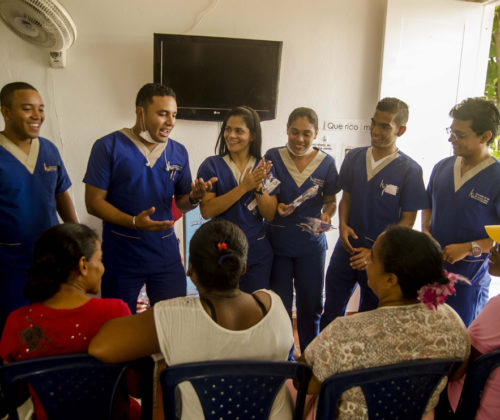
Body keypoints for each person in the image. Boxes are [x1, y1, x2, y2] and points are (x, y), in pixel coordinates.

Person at [89, 218, 294, 420]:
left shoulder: (175, 317)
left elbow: (101, 347)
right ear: (243, 267)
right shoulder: (274, 306)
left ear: (191, 271)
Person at [302, 225, 470, 419]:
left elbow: (305, 383)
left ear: (391, 280)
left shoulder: (344, 332)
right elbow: (457, 372)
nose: (367, 263)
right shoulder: (451, 321)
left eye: (372, 257)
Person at [83, 83, 216, 313]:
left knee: (173, 320)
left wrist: (194, 199)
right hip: (122, 254)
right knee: (119, 324)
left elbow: (182, 202)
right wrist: (134, 222)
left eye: (174, 114)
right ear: (140, 112)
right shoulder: (108, 147)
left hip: (164, 254)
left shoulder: (178, 151)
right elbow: (93, 203)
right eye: (162, 114)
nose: (171, 121)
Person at [0, 223, 135, 419]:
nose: (103, 268)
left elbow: (16, 393)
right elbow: (135, 387)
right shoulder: (116, 311)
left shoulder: (18, 322)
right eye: (100, 259)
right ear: (83, 265)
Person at [321, 97, 429, 328]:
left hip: (380, 258)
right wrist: (342, 225)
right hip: (347, 249)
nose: (375, 130)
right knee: (331, 311)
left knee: (370, 319)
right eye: (374, 123)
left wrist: (374, 253)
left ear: (401, 130)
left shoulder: (410, 170)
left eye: (384, 126)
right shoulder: (355, 157)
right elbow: (346, 198)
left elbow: (408, 221)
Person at [0, 82, 78, 333]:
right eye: (27, 109)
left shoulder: (48, 149)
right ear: (6, 112)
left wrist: (76, 234)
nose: (37, 116)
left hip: (50, 258)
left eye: (41, 109)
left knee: (50, 325)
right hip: (10, 262)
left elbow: (61, 193)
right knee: (15, 328)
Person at [264, 107, 339, 352]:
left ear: (316, 133)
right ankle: (285, 357)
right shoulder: (272, 157)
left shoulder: (327, 163)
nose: (300, 139)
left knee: (312, 304)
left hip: (311, 246)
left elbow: (331, 200)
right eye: (294, 132)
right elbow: (266, 196)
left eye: (307, 133)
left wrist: (328, 214)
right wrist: (278, 206)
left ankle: (310, 355)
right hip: (279, 244)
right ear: (286, 130)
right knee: (280, 305)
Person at [422, 97, 500, 326]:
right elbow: (428, 203)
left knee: (459, 344)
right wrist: (425, 231)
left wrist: (468, 248)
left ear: (485, 136)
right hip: (433, 273)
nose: (451, 138)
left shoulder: (496, 178)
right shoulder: (442, 168)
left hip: (469, 280)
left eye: (460, 134)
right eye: (451, 131)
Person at [196, 106, 277, 292]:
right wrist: (243, 187)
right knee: (223, 310)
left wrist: (257, 186)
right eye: (227, 129)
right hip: (222, 250)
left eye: (239, 130)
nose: (231, 135)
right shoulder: (212, 166)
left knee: (254, 307)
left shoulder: (264, 167)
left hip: (257, 252)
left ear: (253, 136)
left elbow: (270, 214)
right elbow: (206, 211)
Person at [447, 224, 500, 419]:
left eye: (499, 246)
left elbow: (458, 367)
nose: (492, 249)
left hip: (472, 408)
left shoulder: (497, 307)